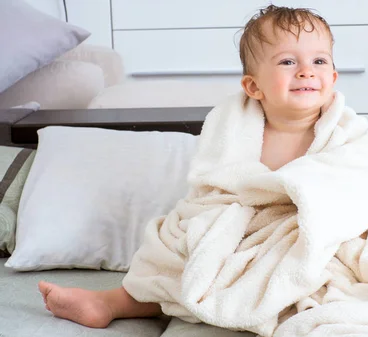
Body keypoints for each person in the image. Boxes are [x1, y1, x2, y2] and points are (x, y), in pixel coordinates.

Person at [38, 4, 338, 329]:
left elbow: (358, 188)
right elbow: (213, 188)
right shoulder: (233, 127)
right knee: (181, 242)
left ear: (333, 77)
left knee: (330, 267)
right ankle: (112, 302)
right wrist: (210, 227)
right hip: (237, 227)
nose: (307, 71)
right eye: (288, 62)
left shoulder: (341, 132)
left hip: (299, 235)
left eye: (319, 61)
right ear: (253, 87)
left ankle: (272, 302)